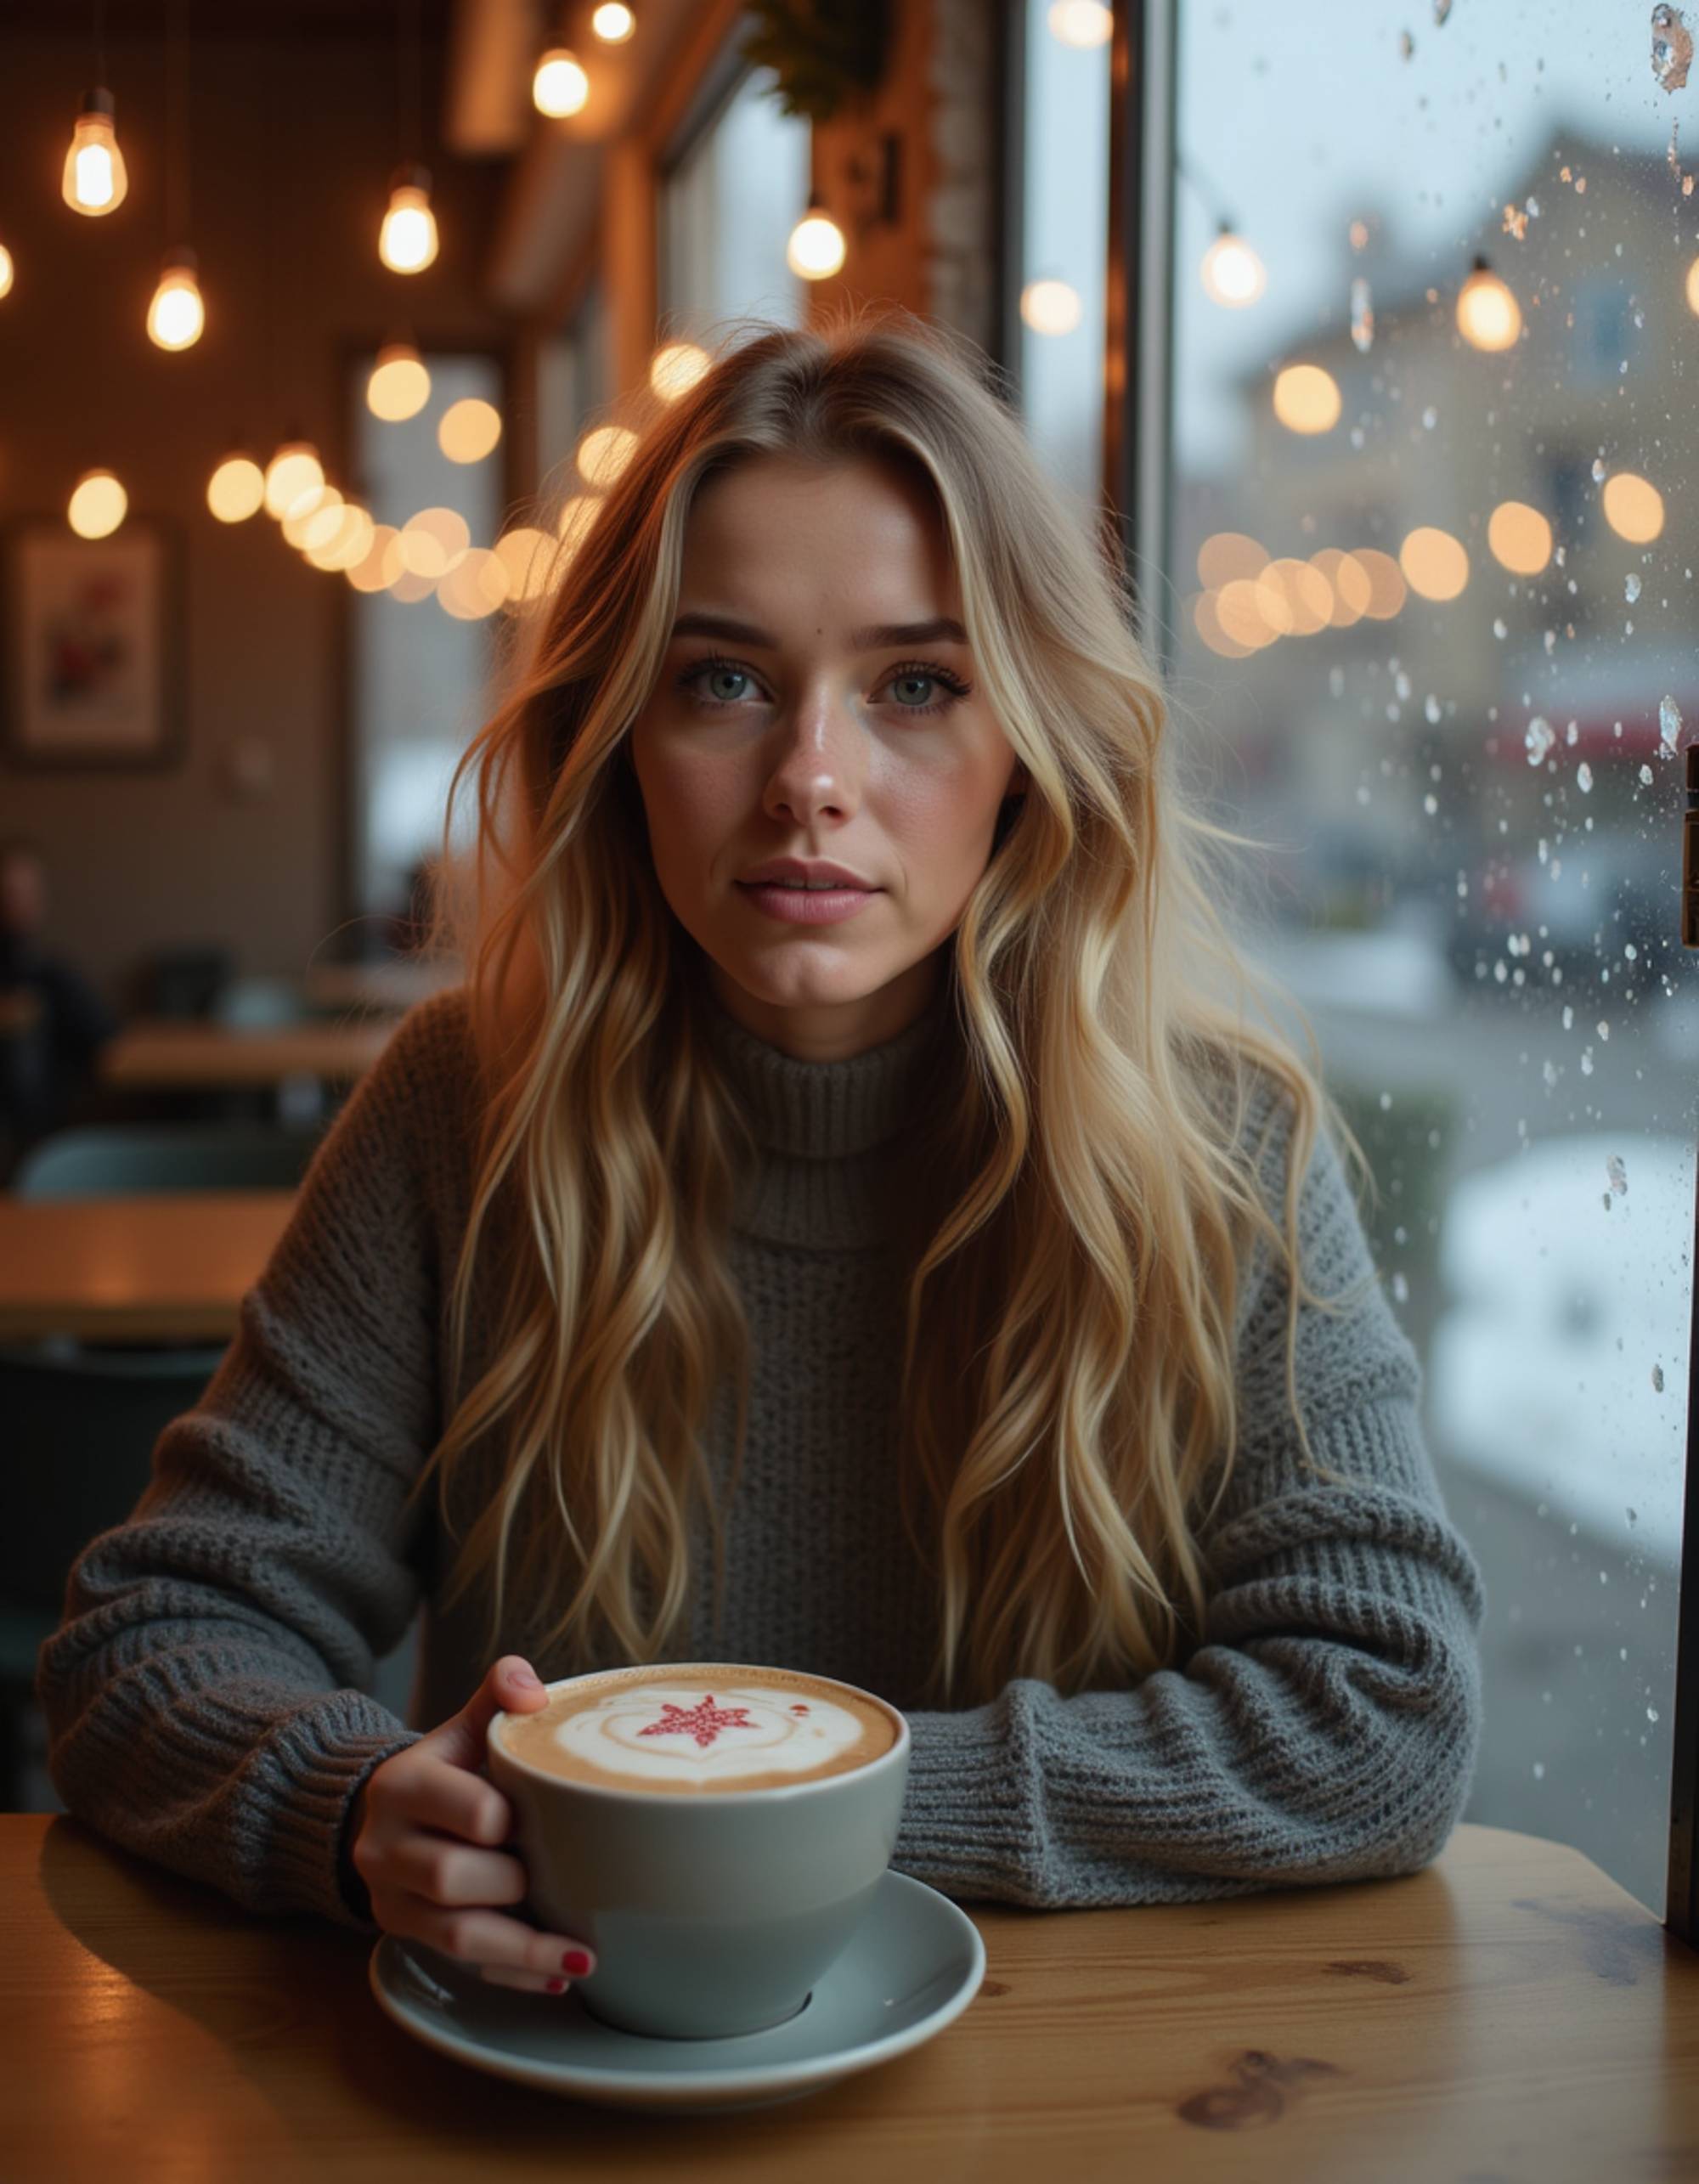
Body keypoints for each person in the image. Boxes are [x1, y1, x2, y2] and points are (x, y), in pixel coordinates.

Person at [37, 308, 1486, 2006]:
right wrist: (356, 1806)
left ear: (1031, 746)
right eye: (722, 678)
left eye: (916, 686)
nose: (811, 777)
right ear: (615, 734)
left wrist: (765, 1816)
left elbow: (1383, 1714)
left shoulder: (1222, 1143)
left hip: (1066, 2106)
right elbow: (143, 1641)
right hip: (559, 2103)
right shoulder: (459, 1111)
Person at [0, 835, 118, 1168]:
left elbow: (103, 1031)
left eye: (26, 892)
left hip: (44, 1138)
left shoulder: (48, 974)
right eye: (8, 892)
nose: (16, 903)